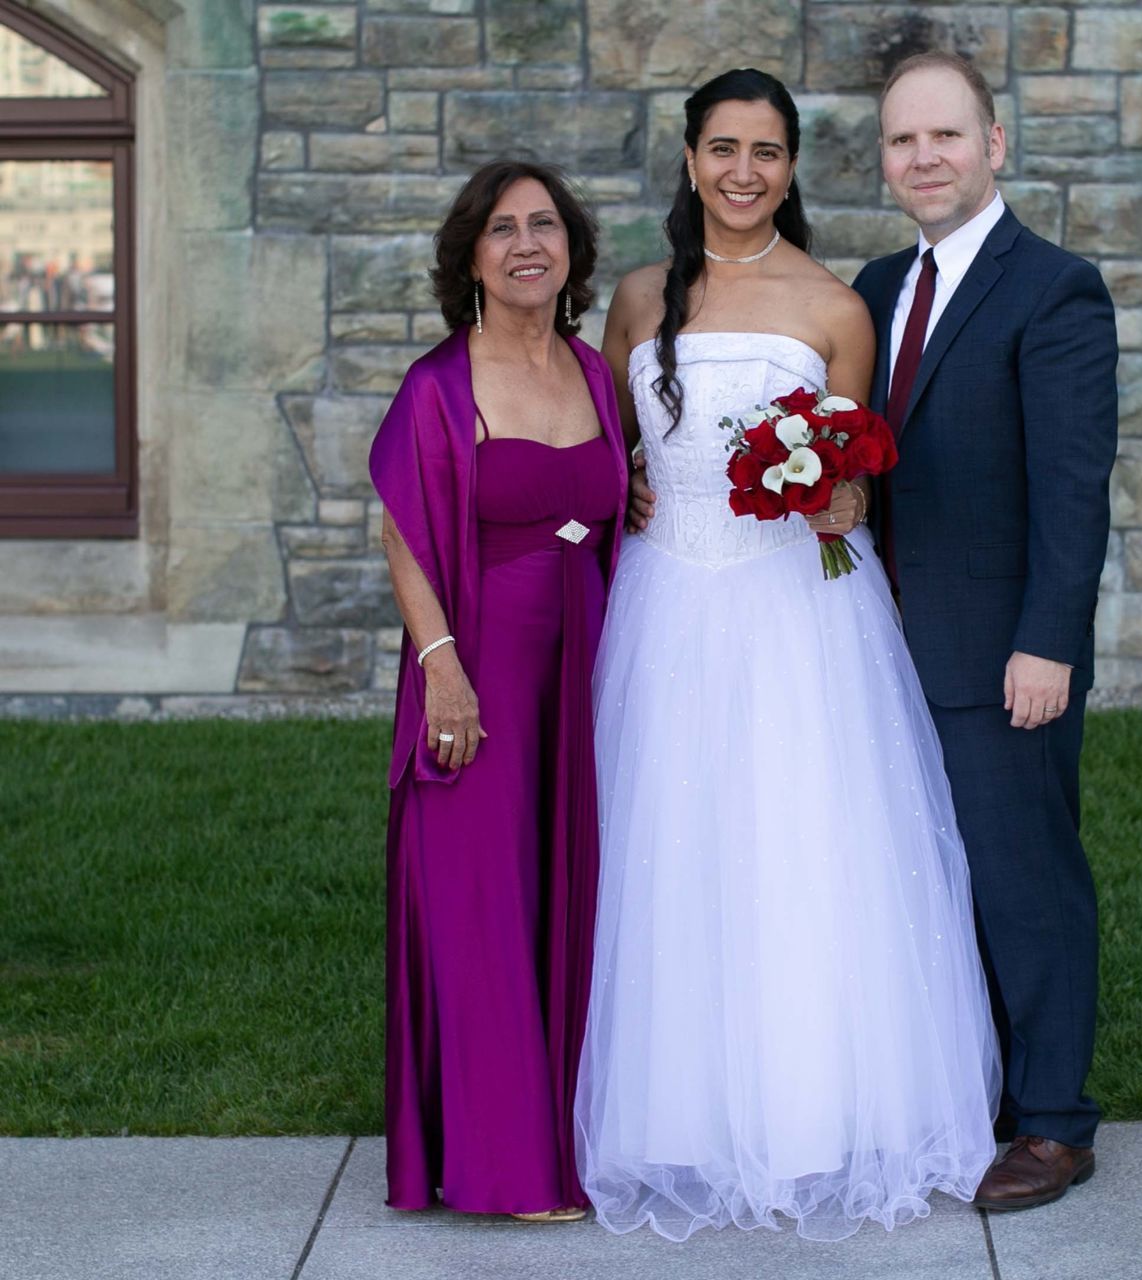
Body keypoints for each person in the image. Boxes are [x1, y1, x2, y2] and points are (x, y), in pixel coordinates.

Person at [576, 68, 1000, 1241]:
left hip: (798, 616)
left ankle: (812, 1112)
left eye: (767, 151)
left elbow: (853, 473)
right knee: (674, 848)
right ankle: (679, 1117)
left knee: (801, 846)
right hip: (669, 606)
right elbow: (615, 453)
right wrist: (623, 487)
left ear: (795, 165)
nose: (743, 172)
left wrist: (838, 500)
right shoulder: (641, 296)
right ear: (691, 156)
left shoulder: (834, 308)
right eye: (723, 148)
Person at [851, 50, 1118, 1210]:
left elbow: (1074, 487)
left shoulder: (1053, 287)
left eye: (946, 136)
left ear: (994, 145)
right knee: (926, 880)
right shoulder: (872, 288)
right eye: (905, 141)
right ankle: (979, 1088)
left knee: (1023, 878)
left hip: (1003, 650)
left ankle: (1055, 1120)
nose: (926, 158)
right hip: (882, 646)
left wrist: (1047, 641)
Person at [370, 159, 628, 1221]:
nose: (529, 243)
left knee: (571, 895)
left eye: (547, 225)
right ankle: (503, 1166)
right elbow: (405, 532)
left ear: (571, 249)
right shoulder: (440, 383)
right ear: (469, 254)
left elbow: (620, 509)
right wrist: (442, 671)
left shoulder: (591, 371)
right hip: (481, 667)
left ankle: (574, 1137)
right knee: (481, 905)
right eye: (504, 228)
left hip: (590, 661)